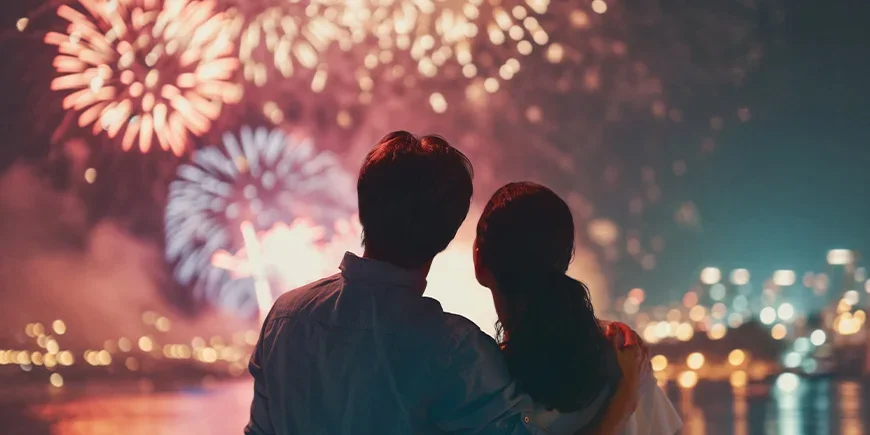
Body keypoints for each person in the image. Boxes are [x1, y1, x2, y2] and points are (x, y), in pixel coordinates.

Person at [245, 131, 648, 434]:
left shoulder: (284, 319)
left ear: (363, 206)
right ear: (452, 234)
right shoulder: (458, 352)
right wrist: (625, 397)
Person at [473, 182, 682, 435]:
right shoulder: (624, 356)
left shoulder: (481, 382)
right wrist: (627, 394)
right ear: (564, 258)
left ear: (479, 260)